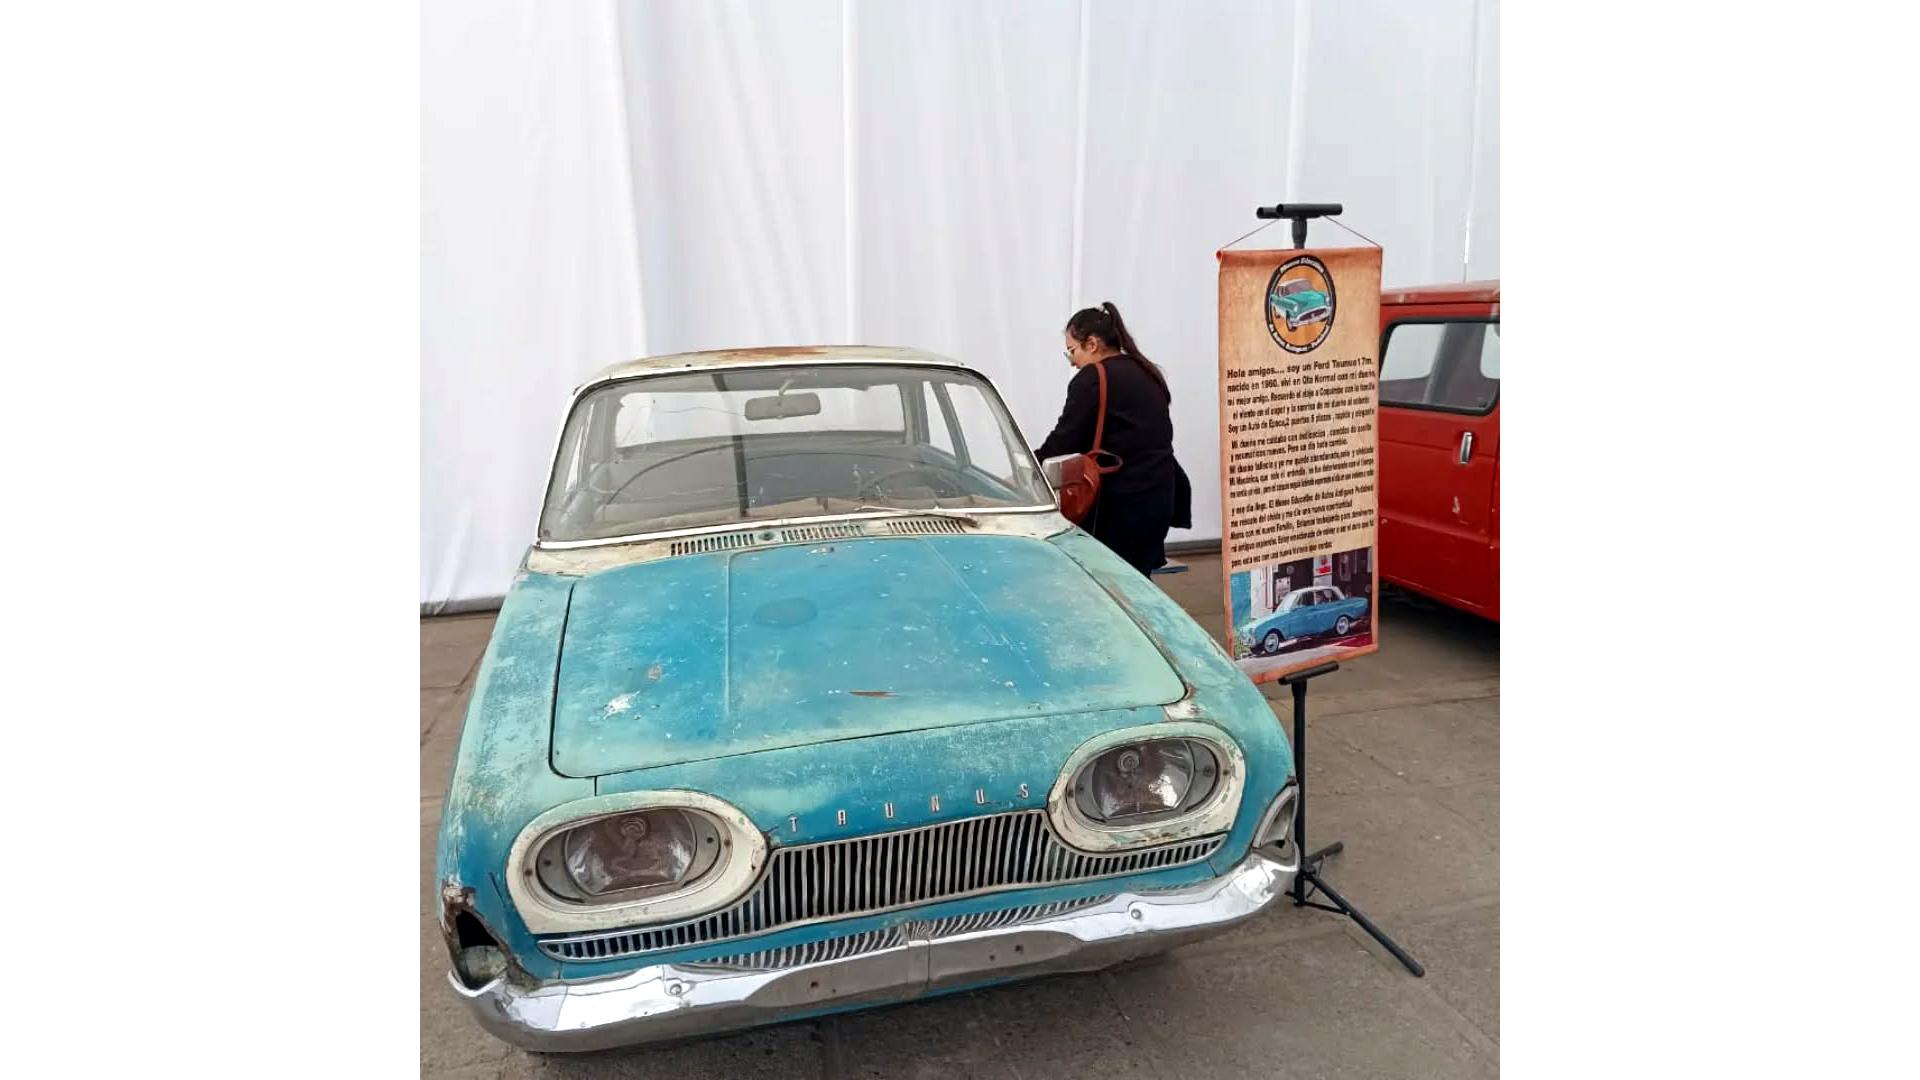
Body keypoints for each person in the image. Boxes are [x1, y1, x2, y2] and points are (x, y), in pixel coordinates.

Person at [1035, 302, 1191, 575]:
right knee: (1138, 581)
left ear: (1092, 344)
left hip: (1120, 506)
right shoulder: (1147, 371)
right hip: (1159, 497)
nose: (1072, 360)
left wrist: (1029, 466)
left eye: (1072, 350)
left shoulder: (1093, 377)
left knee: (1108, 586)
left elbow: (1066, 439)